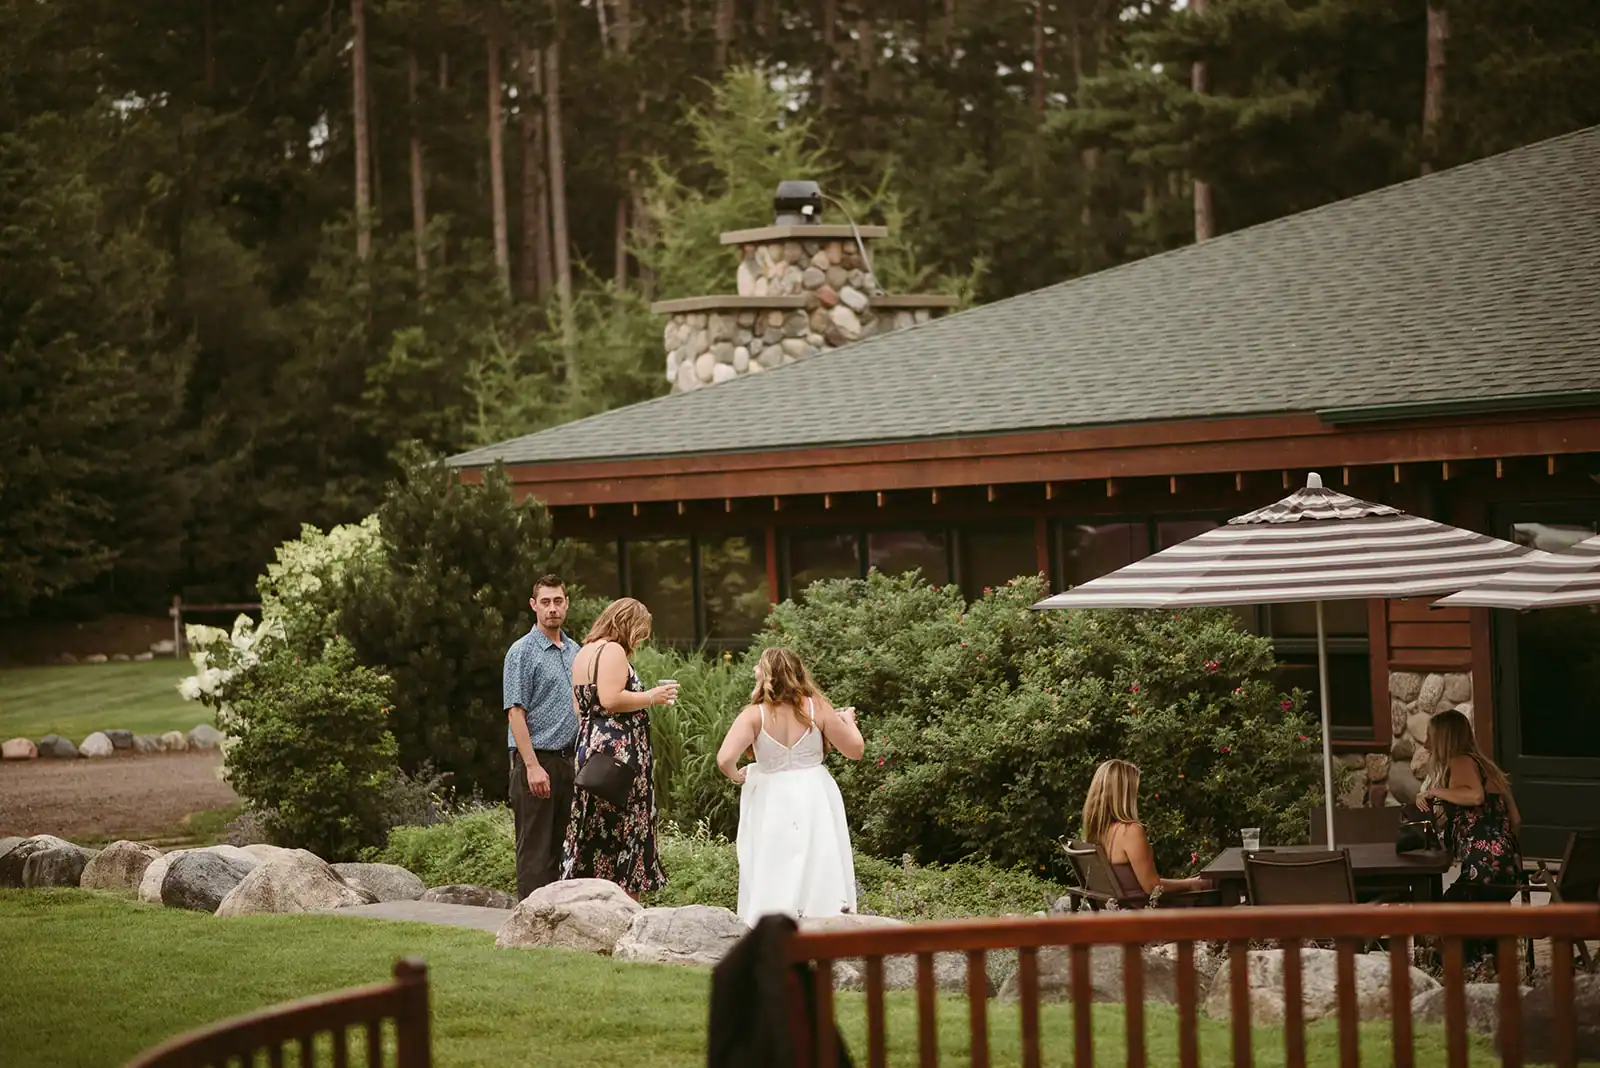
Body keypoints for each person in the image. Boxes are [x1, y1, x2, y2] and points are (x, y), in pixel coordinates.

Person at [715, 647, 864, 926]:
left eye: (758, 666)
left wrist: (737, 776)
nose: (754, 670)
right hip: (814, 791)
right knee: (819, 855)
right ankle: (824, 919)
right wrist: (849, 722)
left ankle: (771, 924)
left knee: (775, 859)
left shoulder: (754, 715)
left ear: (767, 675)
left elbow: (724, 759)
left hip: (772, 795)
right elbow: (855, 750)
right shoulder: (817, 707)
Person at [562, 597, 675, 898]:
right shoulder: (612, 650)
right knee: (627, 828)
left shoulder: (584, 651)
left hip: (591, 747)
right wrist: (652, 697)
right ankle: (625, 906)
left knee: (595, 829)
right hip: (619, 755)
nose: (638, 641)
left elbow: (579, 707)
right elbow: (611, 698)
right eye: (639, 633)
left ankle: (590, 901)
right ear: (627, 624)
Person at [1417, 708, 1522, 972]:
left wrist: (1435, 791)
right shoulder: (1487, 768)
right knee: (1477, 914)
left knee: (1446, 913)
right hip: (1509, 867)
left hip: (1484, 866)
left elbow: (1475, 796)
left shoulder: (1461, 761)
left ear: (1444, 739)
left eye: (1430, 736)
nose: (1426, 744)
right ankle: (1487, 969)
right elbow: (1516, 819)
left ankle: (1456, 974)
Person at [503, 574, 581, 901]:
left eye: (558, 601)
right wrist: (533, 766)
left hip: (569, 762)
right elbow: (515, 713)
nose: (552, 608)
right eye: (545, 602)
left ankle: (560, 921)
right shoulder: (522, 652)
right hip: (536, 762)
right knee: (535, 853)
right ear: (534, 605)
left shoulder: (576, 651)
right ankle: (530, 922)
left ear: (566, 604)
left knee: (565, 852)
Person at [1082, 759, 1213, 903]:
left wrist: (1188, 882)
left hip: (1119, 910)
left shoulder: (1098, 833)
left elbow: (1145, 883)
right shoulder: (1129, 831)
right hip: (1142, 912)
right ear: (1125, 795)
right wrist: (1190, 884)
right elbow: (1152, 887)